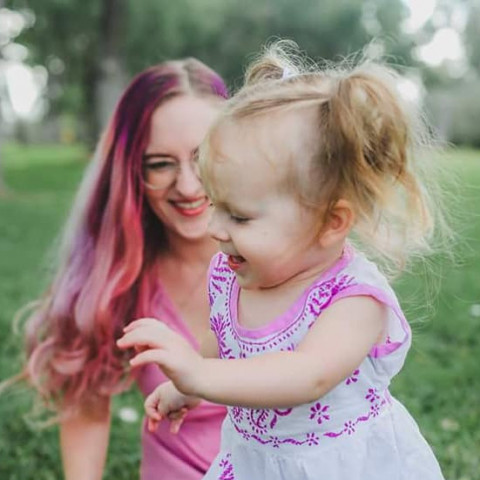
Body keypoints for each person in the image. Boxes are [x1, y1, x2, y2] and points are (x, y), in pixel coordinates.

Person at [117, 42, 449, 480]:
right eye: (216, 205)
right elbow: (224, 344)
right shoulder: (230, 275)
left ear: (331, 222)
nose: (215, 228)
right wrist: (189, 388)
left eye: (239, 216)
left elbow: (307, 375)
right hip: (255, 461)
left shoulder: (353, 300)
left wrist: (198, 374)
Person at [20, 58, 228, 480]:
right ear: (131, 171)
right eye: (160, 164)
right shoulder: (122, 273)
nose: (188, 186)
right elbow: (85, 405)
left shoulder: (290, 258)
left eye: (203, 156)